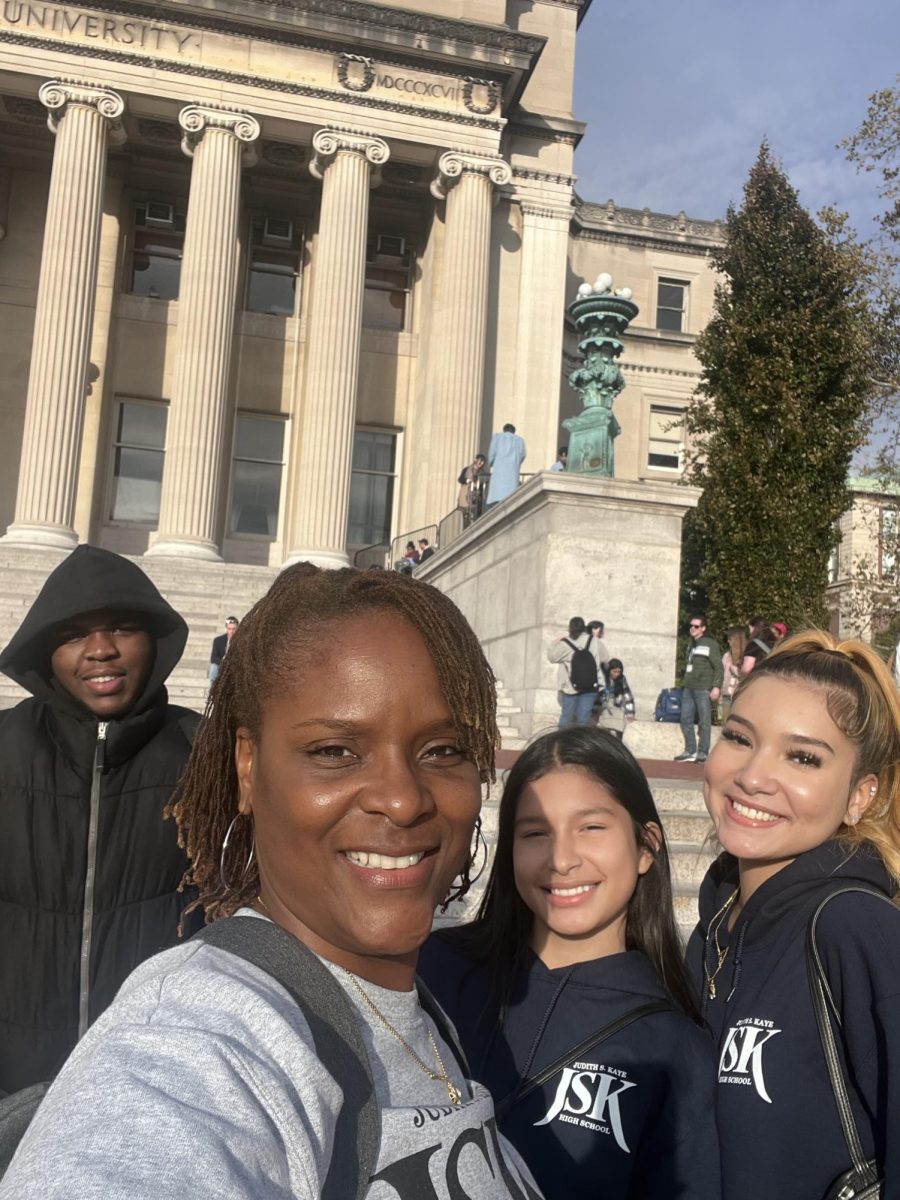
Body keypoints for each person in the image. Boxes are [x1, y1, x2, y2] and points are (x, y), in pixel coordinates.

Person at [1, 565, 542, 1200]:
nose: (401, 800)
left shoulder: (423, 1008)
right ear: (247, 767)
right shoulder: (199, 1037)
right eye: (335, 752)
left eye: (443, 749)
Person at [419, 727, 721, 1200]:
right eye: (536, 833)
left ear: (646, 847)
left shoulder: (675, 1050)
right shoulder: (435, 970)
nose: (561, 860)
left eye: (591, 828)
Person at [686, 631, 900, 1200]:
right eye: (738, 737)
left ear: (862, 795)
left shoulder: (857, 930)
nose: (753, 776)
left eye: (802, 757)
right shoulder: (715, 928)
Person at [0, 544, 201, 1095]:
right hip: (15, 1071)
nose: (100, 651)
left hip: (156, 1070)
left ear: (154, 641)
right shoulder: (4, 747)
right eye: (73, 634)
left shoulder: (204, 754)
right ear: (45, 651)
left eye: (123, 628)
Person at [675, 615, 722, 763]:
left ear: (703, 628)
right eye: (691, 626)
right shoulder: (691, 644)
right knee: (685, 719)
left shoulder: (710, 644)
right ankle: (690, 750)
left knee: (704, 721)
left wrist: (716, 687)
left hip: (703, 688)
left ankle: (703, 752)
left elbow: (719, 667)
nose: (692, 628)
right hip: (688, 687)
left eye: (696, 626)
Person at [548, 616, 608, 728]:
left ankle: (563, 743)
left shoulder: (565, 643)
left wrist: (554, 643)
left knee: (566, 718)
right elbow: (605, 657)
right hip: (590, 686)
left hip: (570, 687)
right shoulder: (593, 641)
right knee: (583, 720)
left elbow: (552, 657)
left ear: (570, 629)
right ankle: (578, 743)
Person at [486, 423, 527, 509]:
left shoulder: (497, 438)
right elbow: (523, 456)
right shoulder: (520, 440)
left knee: (495, 504)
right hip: (512, 478)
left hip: (498, 478)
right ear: (514, 431)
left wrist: (492, 462)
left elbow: (491, 455)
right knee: (510, 501)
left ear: (504, 430)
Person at [593, 657, 635, 738]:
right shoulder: (603, 678)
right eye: (614, 671)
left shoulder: (622, 679)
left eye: (619, 672)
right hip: (604, 705)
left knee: (619, 716)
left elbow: (628, 696)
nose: (617, 674)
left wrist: (630, 713)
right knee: (605, 718)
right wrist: (594, 711)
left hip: (617, 704)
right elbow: (597, 696)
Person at [208, 614, 239, 684]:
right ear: (226, 628)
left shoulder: (242, 642)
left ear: (237, 629)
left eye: (234, 629)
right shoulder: (218, 640)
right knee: (213, 667)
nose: (231, 631)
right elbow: (213, 658)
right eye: (229, 629)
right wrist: (224, 663)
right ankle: (211, 692)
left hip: (235, 666)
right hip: (221, 665)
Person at [458, 453, 487, 524]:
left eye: (483, 462)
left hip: (475, 498)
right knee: (463, 516)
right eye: (480, 461)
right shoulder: (466, 469)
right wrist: (468, 480)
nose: (481, 463)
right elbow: (460, 479)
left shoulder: (482, 473)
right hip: (465, 495)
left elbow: (482, 487)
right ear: (476, 460)